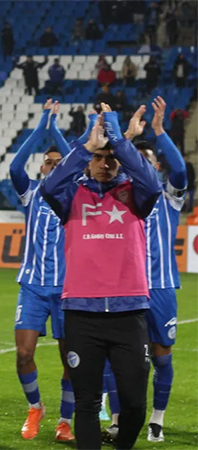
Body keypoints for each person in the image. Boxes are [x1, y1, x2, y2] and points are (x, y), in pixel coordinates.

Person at [40, 104, 161, 450]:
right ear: (90, 160)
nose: (105, 164)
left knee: (136, 402)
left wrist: (122, 142)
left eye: (111, 158)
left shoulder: (136, 194)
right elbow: (48, 187)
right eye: (99, 158)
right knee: (87, 402)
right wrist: (85, 147)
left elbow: (153, 183)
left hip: (129, 312)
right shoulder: (71, 195)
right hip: (82, 313)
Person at [102, 96, 187, 444]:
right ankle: (120, 420)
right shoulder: (119, 196)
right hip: (127, 287)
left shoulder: (169, 196)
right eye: (138, 161)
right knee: (120, 359)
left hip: (162, 287)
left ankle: (156, 420)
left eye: (148, 160)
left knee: (162, 357)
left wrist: (159, 133)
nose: (143, 165)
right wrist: (121, 134)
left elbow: (181, 171)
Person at [9, 100, 81, 443]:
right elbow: (14, 167)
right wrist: (41, 128)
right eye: (47, 163)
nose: (52, 167)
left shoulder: (76, 194)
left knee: (71, 359)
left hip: (69, 288)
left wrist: (56, 133)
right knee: (23, 354)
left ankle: (64, 422)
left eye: (58, 163)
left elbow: (76, 161)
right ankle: (36, 407)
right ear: (41, 168)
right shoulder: (32, 193)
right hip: (33, 286)